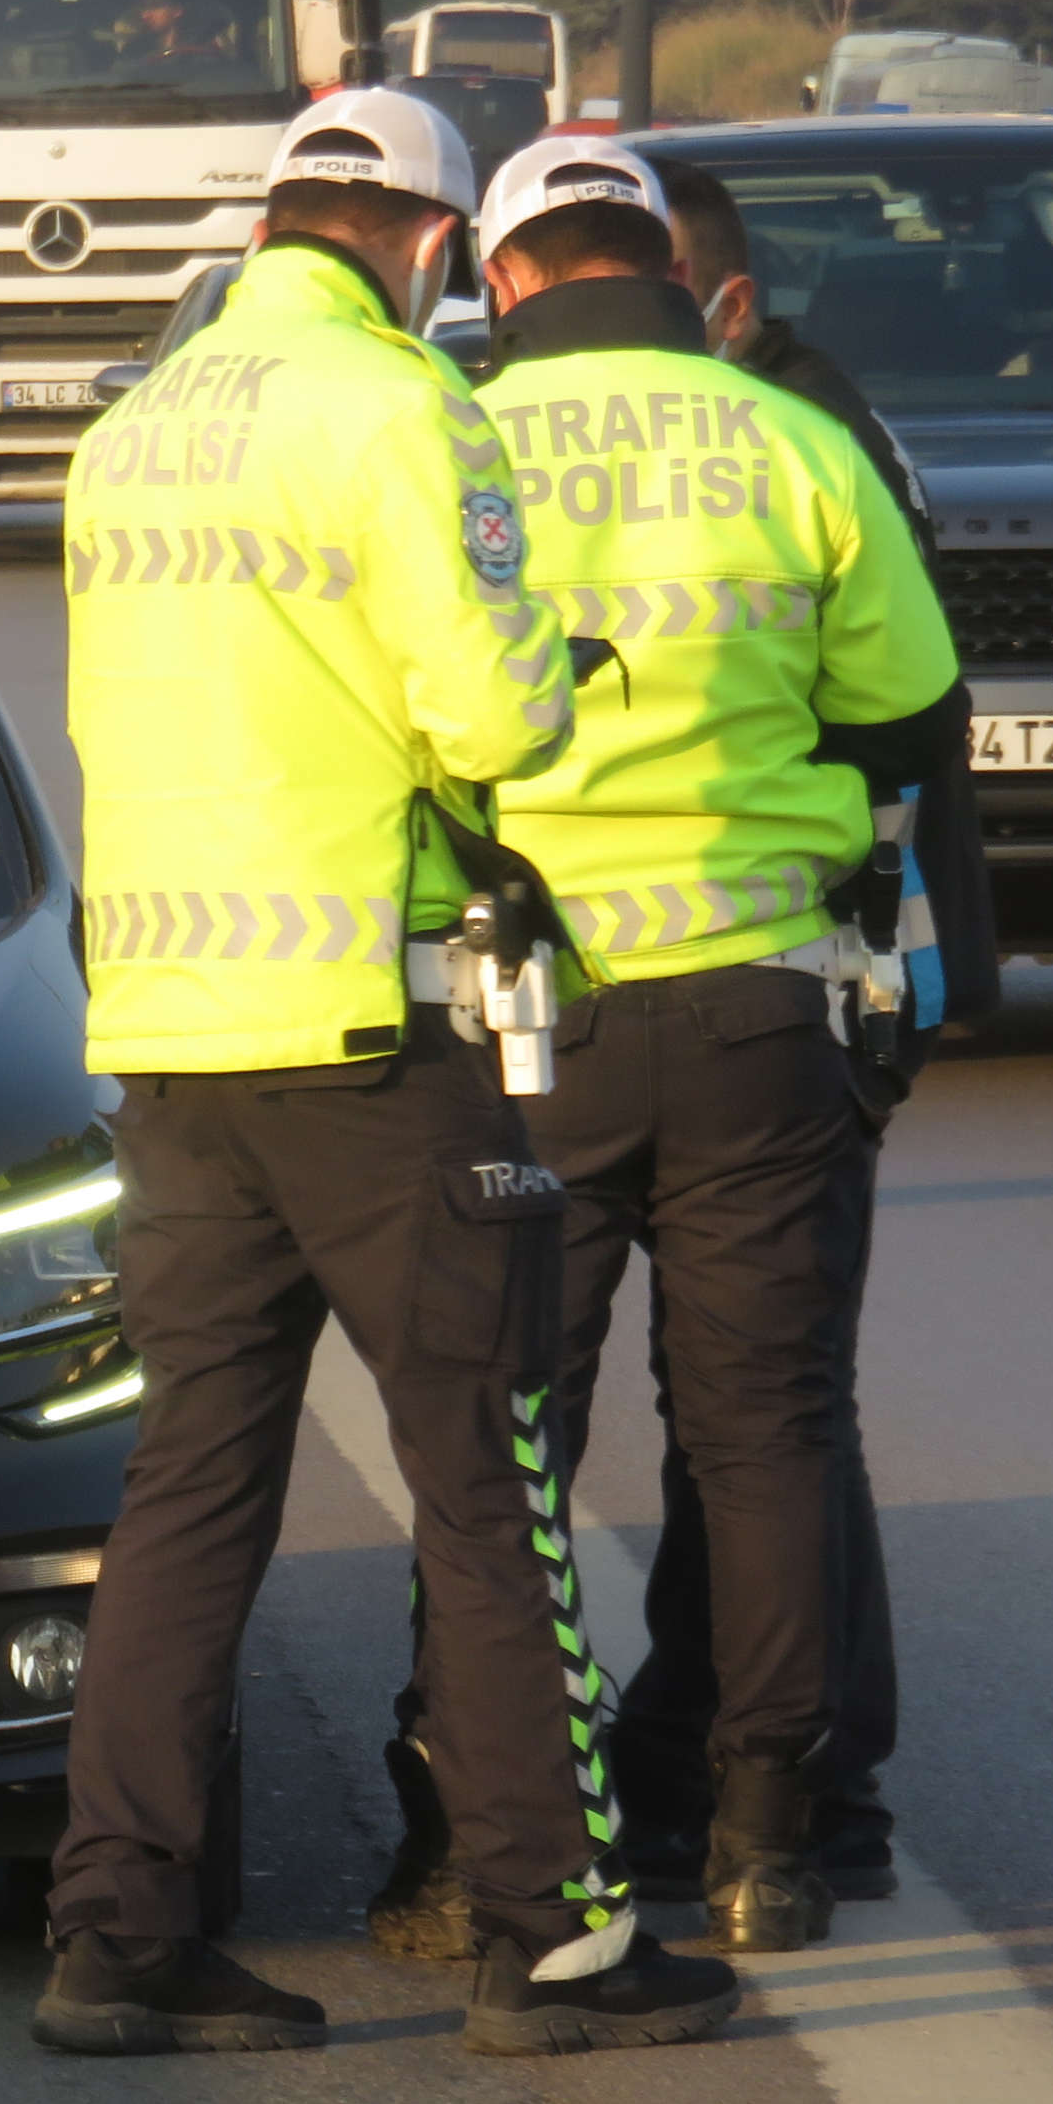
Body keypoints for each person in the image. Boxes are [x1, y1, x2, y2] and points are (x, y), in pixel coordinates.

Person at [39, 88, 740, 2061]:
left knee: (183, 1493)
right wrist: (560, 659)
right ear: (429, 247)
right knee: (488, 1482)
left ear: (278, 219)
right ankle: (555, 1935)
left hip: (169, 1043)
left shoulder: (132, 425)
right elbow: (478, 696)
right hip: (367, 1029)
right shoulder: (399, 408)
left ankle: (113, 1932)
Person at [366, 136, 964, 1963]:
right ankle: (772, 1835)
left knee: (505, 1441)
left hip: (525, 1015)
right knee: (765, 1425)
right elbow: (914, 714)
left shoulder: (450, 443)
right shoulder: (793, 443)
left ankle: (492, 1840)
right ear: (668, 273)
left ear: (514, 278)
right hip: (758, 1001)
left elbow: (392, 712)